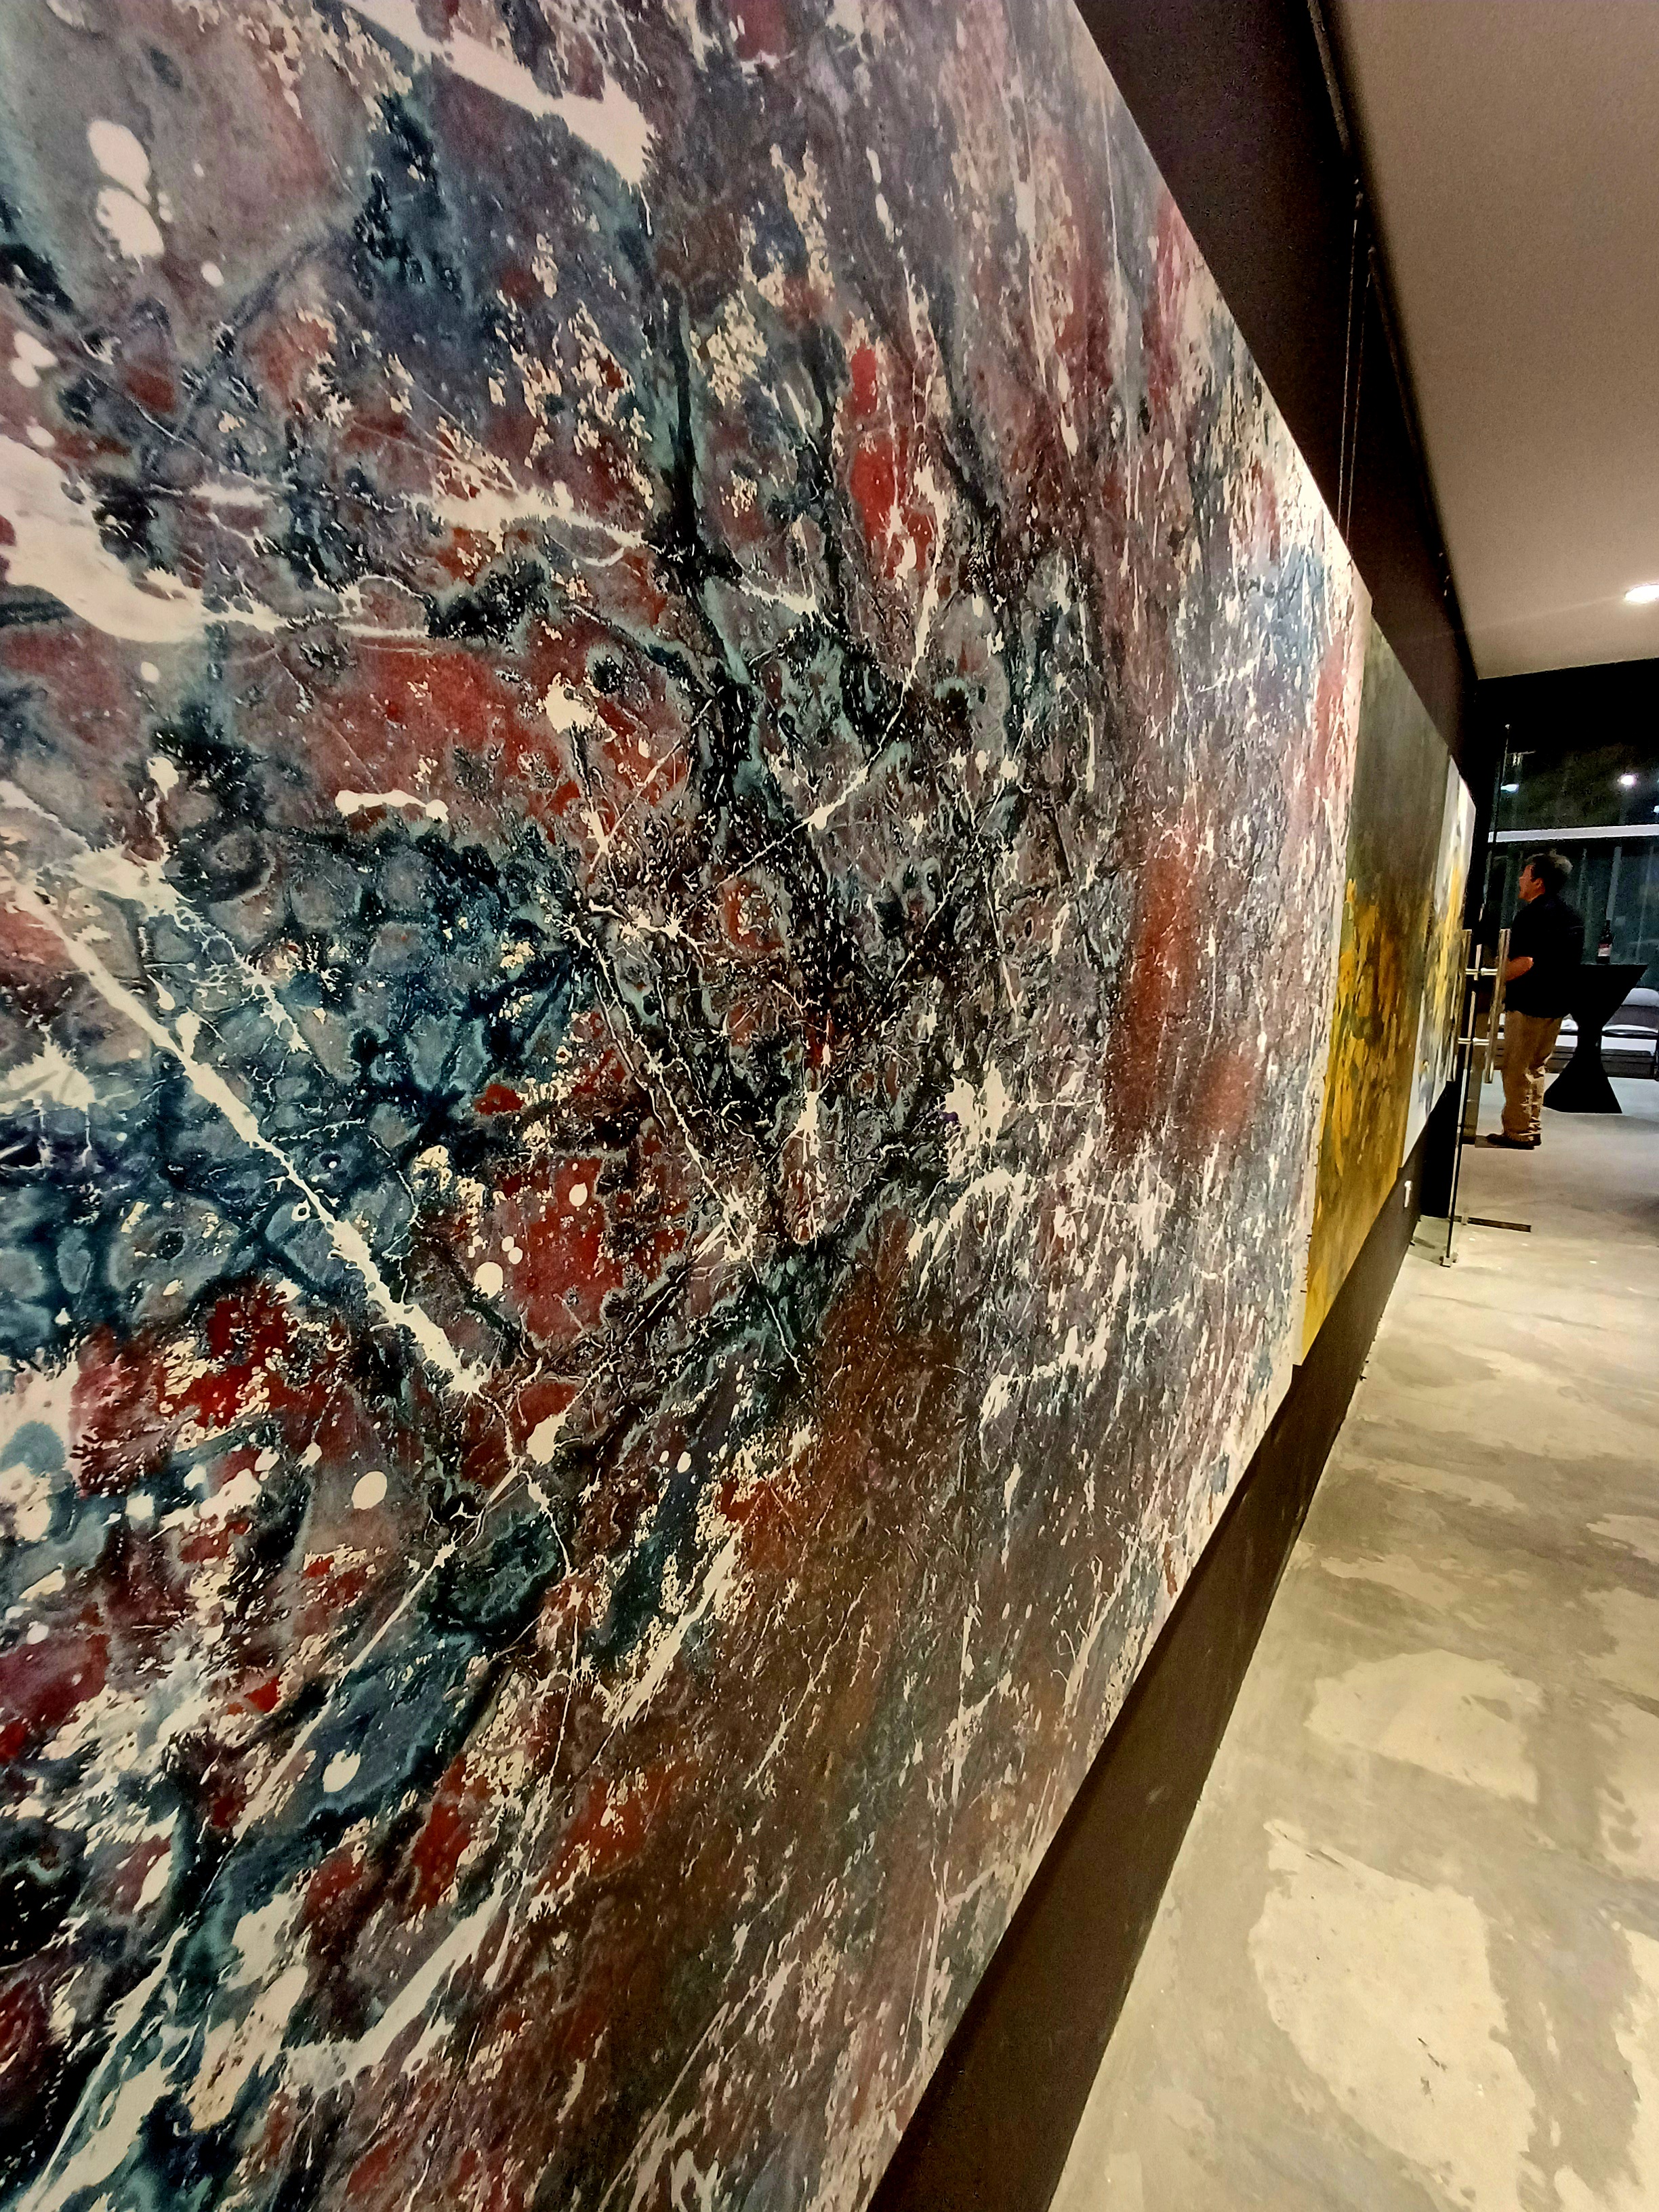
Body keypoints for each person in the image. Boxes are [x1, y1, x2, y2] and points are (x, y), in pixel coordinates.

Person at [1488, 849, 1584, 1149]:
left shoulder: (1531, 916)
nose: (1520, 879)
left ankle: (1519, 1132)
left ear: (1538, 881)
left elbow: (1525, 962)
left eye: (1525, 874)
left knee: (1517, 1069)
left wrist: (1492, 978)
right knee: (1537, 1067)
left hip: (1528, 1003)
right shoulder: (1572, 916)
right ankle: (1531, 1125)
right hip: (1555, 1005)